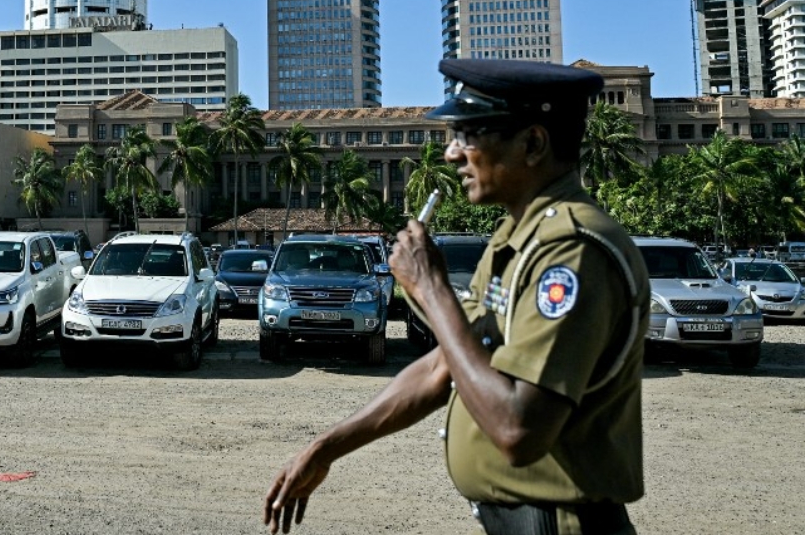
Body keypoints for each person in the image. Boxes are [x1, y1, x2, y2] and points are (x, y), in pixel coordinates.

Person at [263, 59, 650, 535]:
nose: (451, 154)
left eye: (469, 134)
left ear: (532, 143)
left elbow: (517, 430)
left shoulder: (570, 250)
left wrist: (430, 289)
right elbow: (442, 366)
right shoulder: (520, 237)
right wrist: (324, 448)